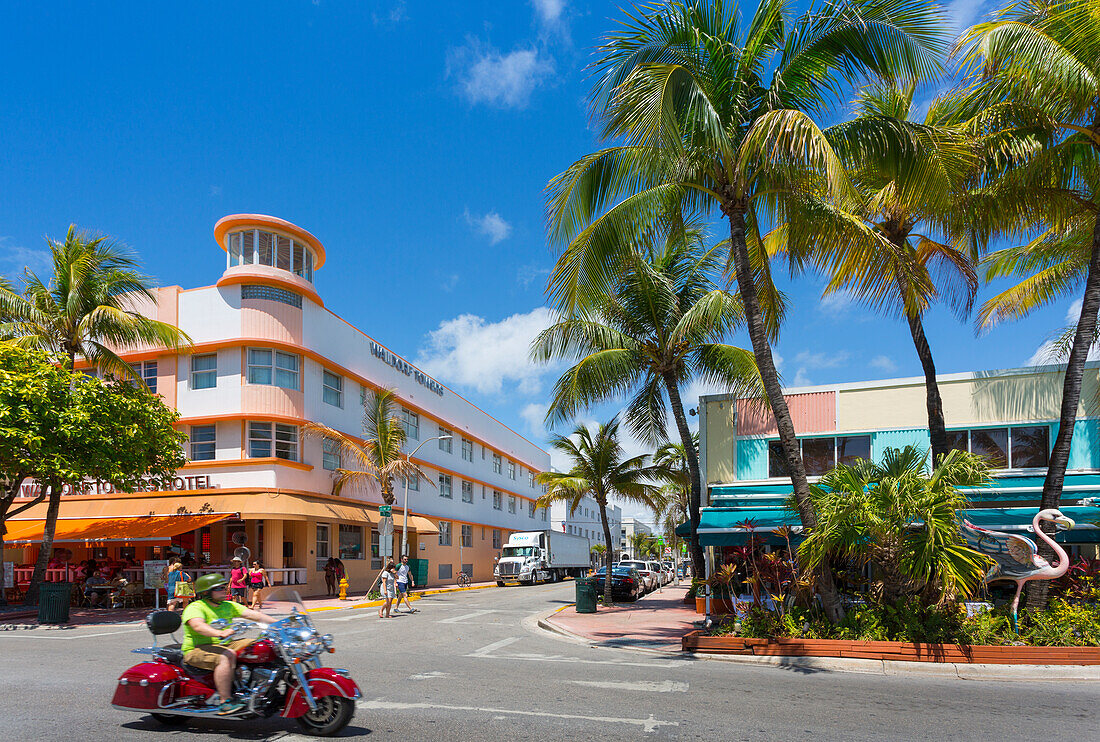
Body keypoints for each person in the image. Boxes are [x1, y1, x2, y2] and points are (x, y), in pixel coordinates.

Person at [181, 573, 276, 715]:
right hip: (196, 649)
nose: (224, 590)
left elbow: (254, 615)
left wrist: (281, 624)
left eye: (224, 587)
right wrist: (219, 633)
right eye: (219, 588)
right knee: (227, 656)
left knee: (261, 646)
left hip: (224, 644)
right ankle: (225, 702)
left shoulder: (228, 605)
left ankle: (254, 687)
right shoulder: (196, 607)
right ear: (206, 592)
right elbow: (198, 626)